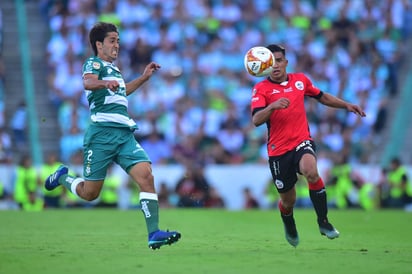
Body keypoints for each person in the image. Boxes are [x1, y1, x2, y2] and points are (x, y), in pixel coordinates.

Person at [44, 22, 181, 249]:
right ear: (99, 44)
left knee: (146, 175)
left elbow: (122, 90)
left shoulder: (114, 69)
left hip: (123, 134)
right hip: (101, 134)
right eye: (112, 40)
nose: (117, 45)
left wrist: (144, 77)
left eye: (118, 40)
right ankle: (62, 177)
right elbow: (87, 82)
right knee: (90, 194)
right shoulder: (93, 62)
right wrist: (102, 82)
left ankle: (154, 233)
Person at [250, 44, 366, 247]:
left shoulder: (300, 81)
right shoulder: (261, 89)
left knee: (311, 171)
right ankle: (289, 221)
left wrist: (346, 104)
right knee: (288, 201)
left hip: (301, 141)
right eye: (271, 62)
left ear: (286, 62)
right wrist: (272, 106)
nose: (275, 65)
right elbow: (256, 119)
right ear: (265, 65)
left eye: (278, 60)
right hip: (278, 150)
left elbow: (322, 97)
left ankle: (323, 222)